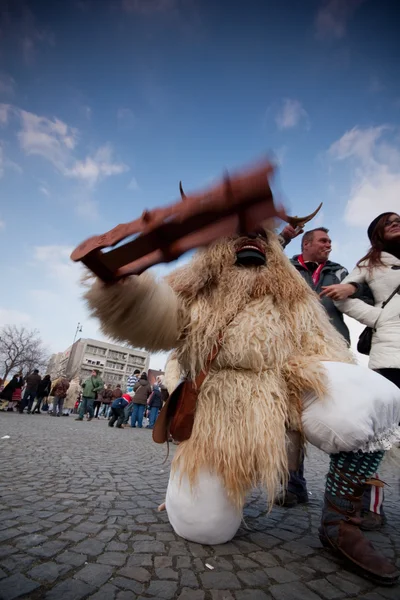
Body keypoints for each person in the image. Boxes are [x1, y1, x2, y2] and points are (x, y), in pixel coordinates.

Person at [85, 219, 400, 584]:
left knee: (375, 395)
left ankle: (340, 522)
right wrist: (121, 285)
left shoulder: (292, 293)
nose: (250, 242)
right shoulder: (196, 289)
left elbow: (323, 344)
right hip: (219, 404)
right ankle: (186, 489)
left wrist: (333, 378)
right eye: (239, 235)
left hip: (284, 383)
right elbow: (156, 316)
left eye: (258, 235)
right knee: (205, 528)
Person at [323, 212, 400, 529]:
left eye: (398, 219)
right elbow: (340, 295)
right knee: (377, 435)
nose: (396, 222)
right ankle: (368, 506)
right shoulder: (371, 263)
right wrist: (376, 317)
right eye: (388, 221)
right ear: (377, 233)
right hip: (391, 353)